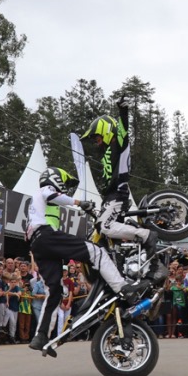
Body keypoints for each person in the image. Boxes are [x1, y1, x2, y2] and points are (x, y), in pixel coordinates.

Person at [27, 167, 145, 356]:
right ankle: (122, 287)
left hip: (37, 243)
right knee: (95, 251)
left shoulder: (36, 203)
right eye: (63, 184)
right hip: (46, 235)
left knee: (54, 291)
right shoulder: (45, 190)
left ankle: (41, 336)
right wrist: (80, 202)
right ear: (54, 179)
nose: (64, 189)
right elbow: (52, 195)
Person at [80, 95, 158, 252]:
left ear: (106, 130)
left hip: (119, 193)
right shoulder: (107, 152)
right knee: (105, 235)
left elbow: (123, 129)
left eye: (97, 137)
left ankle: (145, 235)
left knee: (104, 226)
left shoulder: (118, 144)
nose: (97, 142)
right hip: (110, 197)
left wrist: (123, 110)